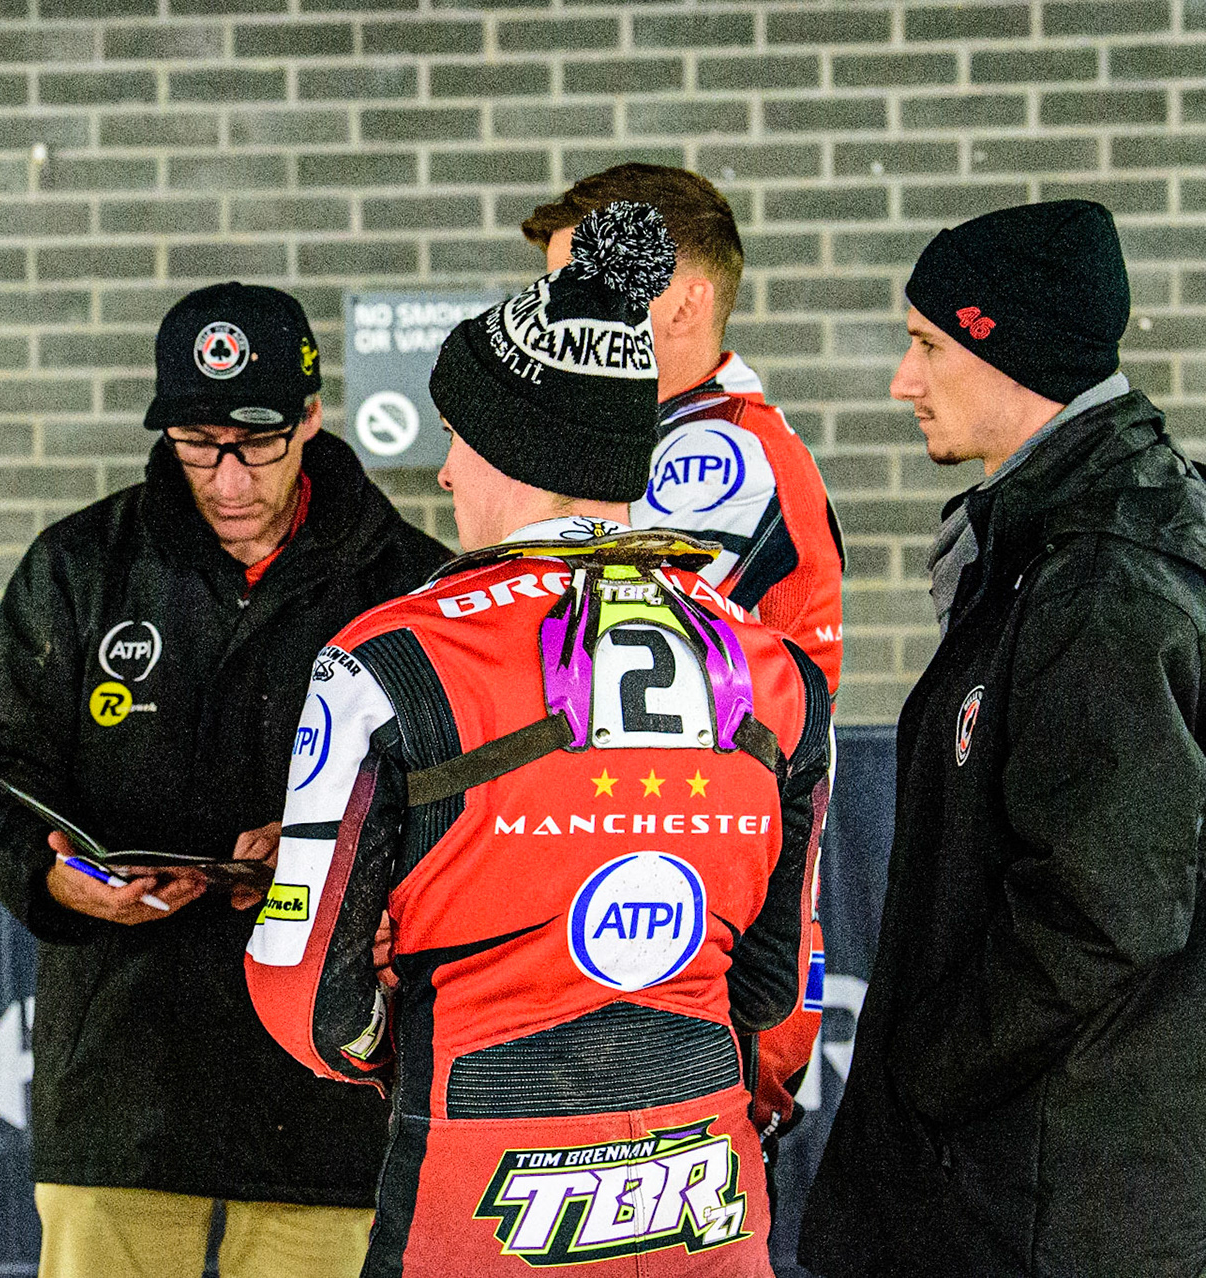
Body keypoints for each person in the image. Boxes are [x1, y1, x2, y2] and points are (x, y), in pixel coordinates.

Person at [246, 203, 831, 1278]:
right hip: (705, 1196)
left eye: (458, 440)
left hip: (480, 1195)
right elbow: (775, 984)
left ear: (513, 451)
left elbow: (305, 1001)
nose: (444, 475)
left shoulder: (383, 662)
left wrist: (398, 1033)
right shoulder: (776, 671)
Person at [0, 282, 450, 1278]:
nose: (225, 479)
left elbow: (464, 809)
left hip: (330, 1090)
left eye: (254, 443)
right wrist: (54, 882)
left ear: (310, 419)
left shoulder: (409, 586)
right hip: (124, 1082)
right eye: (196, 441)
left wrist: (320, 860)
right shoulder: (83, 566)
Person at [801, 203, 1206, 1276]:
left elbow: (1104, 911)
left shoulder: (1107, 576)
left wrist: (931, 1070)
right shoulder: (1060, 540)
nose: (904, 380)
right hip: (1042, 1176)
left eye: (928, 345)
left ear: (1007, 351)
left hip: (1056, 1199)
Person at [525, 163, 845, 1146]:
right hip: (653, 938)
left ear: (682, 301)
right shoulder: (657, 444)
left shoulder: (716, 460)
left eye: (577, 291)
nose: (553, 323)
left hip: (697, 961)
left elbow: (583, 681)